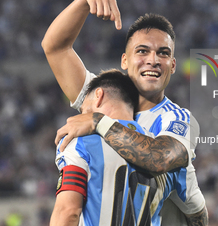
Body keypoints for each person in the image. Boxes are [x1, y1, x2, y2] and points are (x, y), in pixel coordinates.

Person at [42, 0, 208, 225]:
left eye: (163, 53)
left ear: (172, 65)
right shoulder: (103, 92)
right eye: (142, 51)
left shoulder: (178, 120)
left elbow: (158, 159)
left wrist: (98, 121)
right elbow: (55, 48)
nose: (152, 60)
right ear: (125, 60)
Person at [50, 69, 204, 226]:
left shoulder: (80, 142)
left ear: (98, 95)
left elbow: (68, 212)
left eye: (84, 110)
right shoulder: (166, 153)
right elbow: (198, 214)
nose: (82, 117)